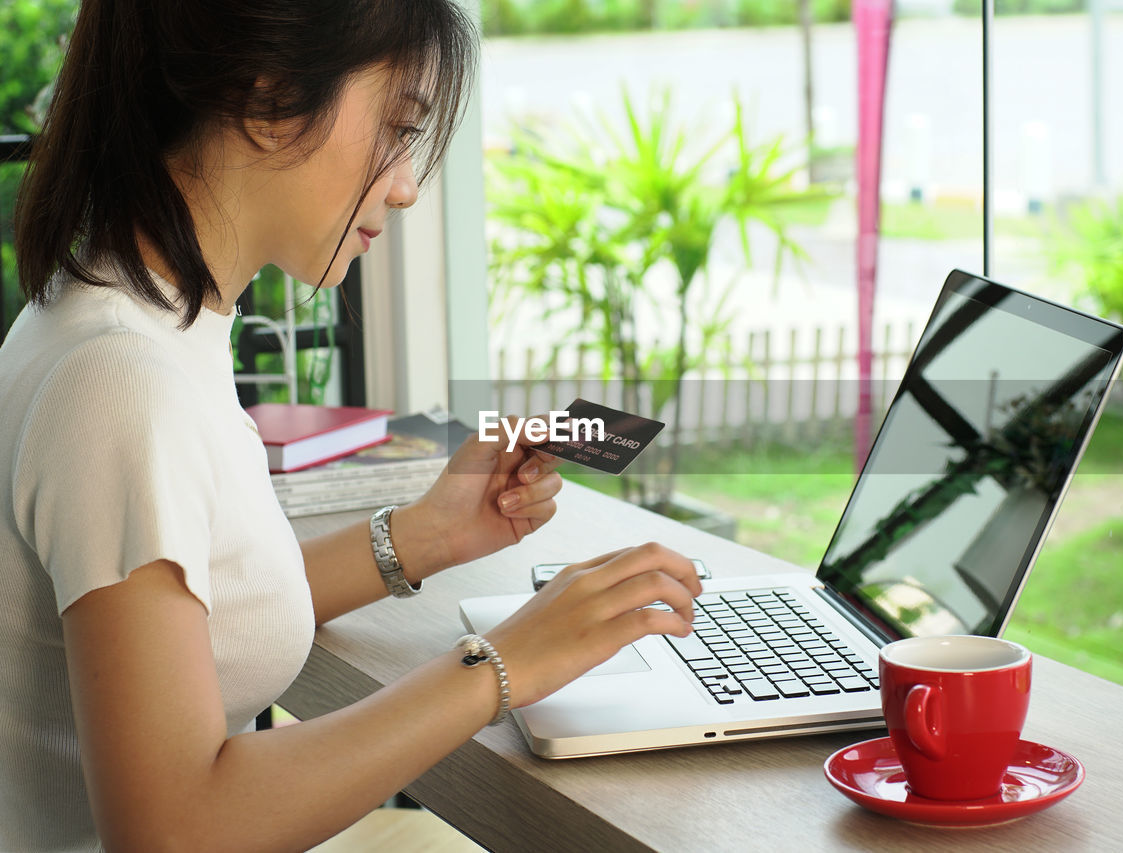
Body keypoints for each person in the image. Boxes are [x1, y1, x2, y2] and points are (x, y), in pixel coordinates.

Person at [0, 1, 702, 850]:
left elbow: (198, 602)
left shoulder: (126, 321)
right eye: (399, 126)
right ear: (269, 93)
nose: (407, 187)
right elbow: (172, 828)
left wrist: (427, 535)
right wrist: (505, 662)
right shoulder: (121, 378)